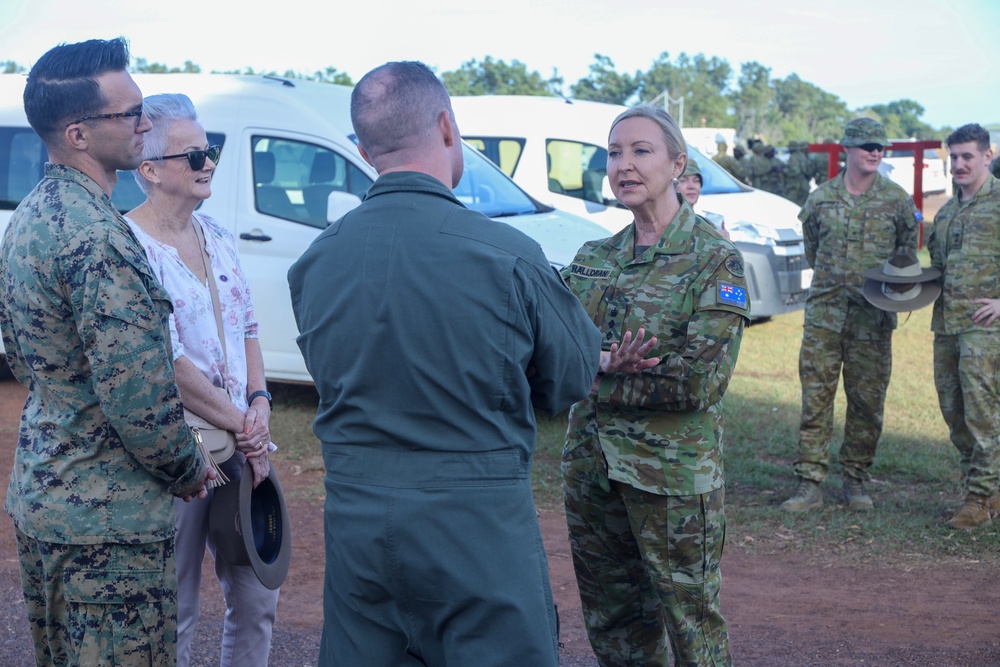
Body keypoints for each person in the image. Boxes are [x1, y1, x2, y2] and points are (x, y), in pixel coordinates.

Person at [287, 61, 651, 667]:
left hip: (357, 519)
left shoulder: (316, 260)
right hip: (475, 522)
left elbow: (331, 376)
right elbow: (565, 379)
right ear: (448, 128)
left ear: (362, 148)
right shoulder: (507, 254)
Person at [0, 38, 213, 666]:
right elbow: (140, 400)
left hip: (48, 498)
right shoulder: (100, 238)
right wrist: (188, 468)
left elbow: (24, 359)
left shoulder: (33, 216)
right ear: (78, 133)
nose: (145, 123)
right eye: (130, 113)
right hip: (108, 526)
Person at [562, 103, 750, 667]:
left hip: (671, 481)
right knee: (613, 624)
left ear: (677, 165)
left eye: (641, 151)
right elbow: (549, 354)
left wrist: (593, 372)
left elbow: (698, 383)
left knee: (691, 626)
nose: (624, 165)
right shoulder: (594, 258)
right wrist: (600, 363)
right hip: (593, 472)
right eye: (615, 153)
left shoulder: (715, 261)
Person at [125, 93, 280, 665]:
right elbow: (166, 363)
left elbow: (248, 328)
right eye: (193, 156)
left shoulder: (215, 234)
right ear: (150, 171)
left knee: (259, 592)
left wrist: (259, 401)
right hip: (179, 450)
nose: (209, 163)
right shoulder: (130, 248)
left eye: (209, 150)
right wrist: (247, 425)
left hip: (241, 439)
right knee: (177, 602)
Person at [781, 118, 920, 513]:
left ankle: (856, 480)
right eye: (867, 146)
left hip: (872, 321)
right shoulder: (821, 199)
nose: (875, 152)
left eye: (880, 147)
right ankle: (809, 483)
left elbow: (907, 255)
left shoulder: (895, 200)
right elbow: (813, 250)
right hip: (825, 317)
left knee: (867, 403)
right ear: (848, 149)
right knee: (816, 401)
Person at [927, 123, 1000, 529]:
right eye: (953, 157)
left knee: (983, 416)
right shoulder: (947, 213)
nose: (958, 164)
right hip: (946, 328)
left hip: (985, 332)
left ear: (987, 156)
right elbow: (939, 268)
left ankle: (977, 501)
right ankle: (991, 489)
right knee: (954, 414)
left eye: (967, 156)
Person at [784, 141, 816, 206]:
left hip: (795, 185)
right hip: (804, 184)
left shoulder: (794, 157)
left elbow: (795, 171)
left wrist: (784, 171)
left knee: (791, 204)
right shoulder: (802, 156)